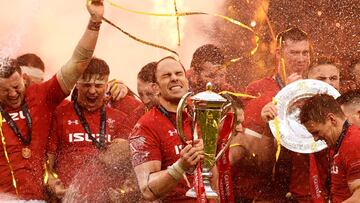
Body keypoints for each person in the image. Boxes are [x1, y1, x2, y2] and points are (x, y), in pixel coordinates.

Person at [0, 1, 104, 200]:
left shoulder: (41, 95)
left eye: (16, 87)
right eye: (5, 92)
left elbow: (77, 64)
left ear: (24, 79)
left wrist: (95, 22)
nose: (13, 94)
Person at [46, 58, 133, 202]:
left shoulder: (120, 119)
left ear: (107, 85)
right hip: (69, 199)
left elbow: (129, 167)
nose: (92, 91)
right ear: (76, 83)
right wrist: (52, 185)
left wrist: (122, 192)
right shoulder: (60, 114)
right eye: (86, 85)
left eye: (98, 85)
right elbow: (46, 164)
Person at [242, 27, 313, 202]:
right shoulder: (257, 90)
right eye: (294, 53)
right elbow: (250, 153)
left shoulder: (316, 87)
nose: (301, 59)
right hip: (270, 191)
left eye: (305, 52)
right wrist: (284, 97)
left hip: (308, 189)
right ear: (279, 53)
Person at [129, 56, 205, 202]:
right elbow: (147, 190)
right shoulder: (145, 126)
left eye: (178, 74)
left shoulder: (201, 114)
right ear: (156, 88)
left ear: (187, 81)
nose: (174, 78)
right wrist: (181, 166)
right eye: (166, 76)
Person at [299, 94, 360, 202]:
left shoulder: (354, 143)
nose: (316, 139)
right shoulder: (339, 144)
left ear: (332, 119)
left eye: (316, 132)